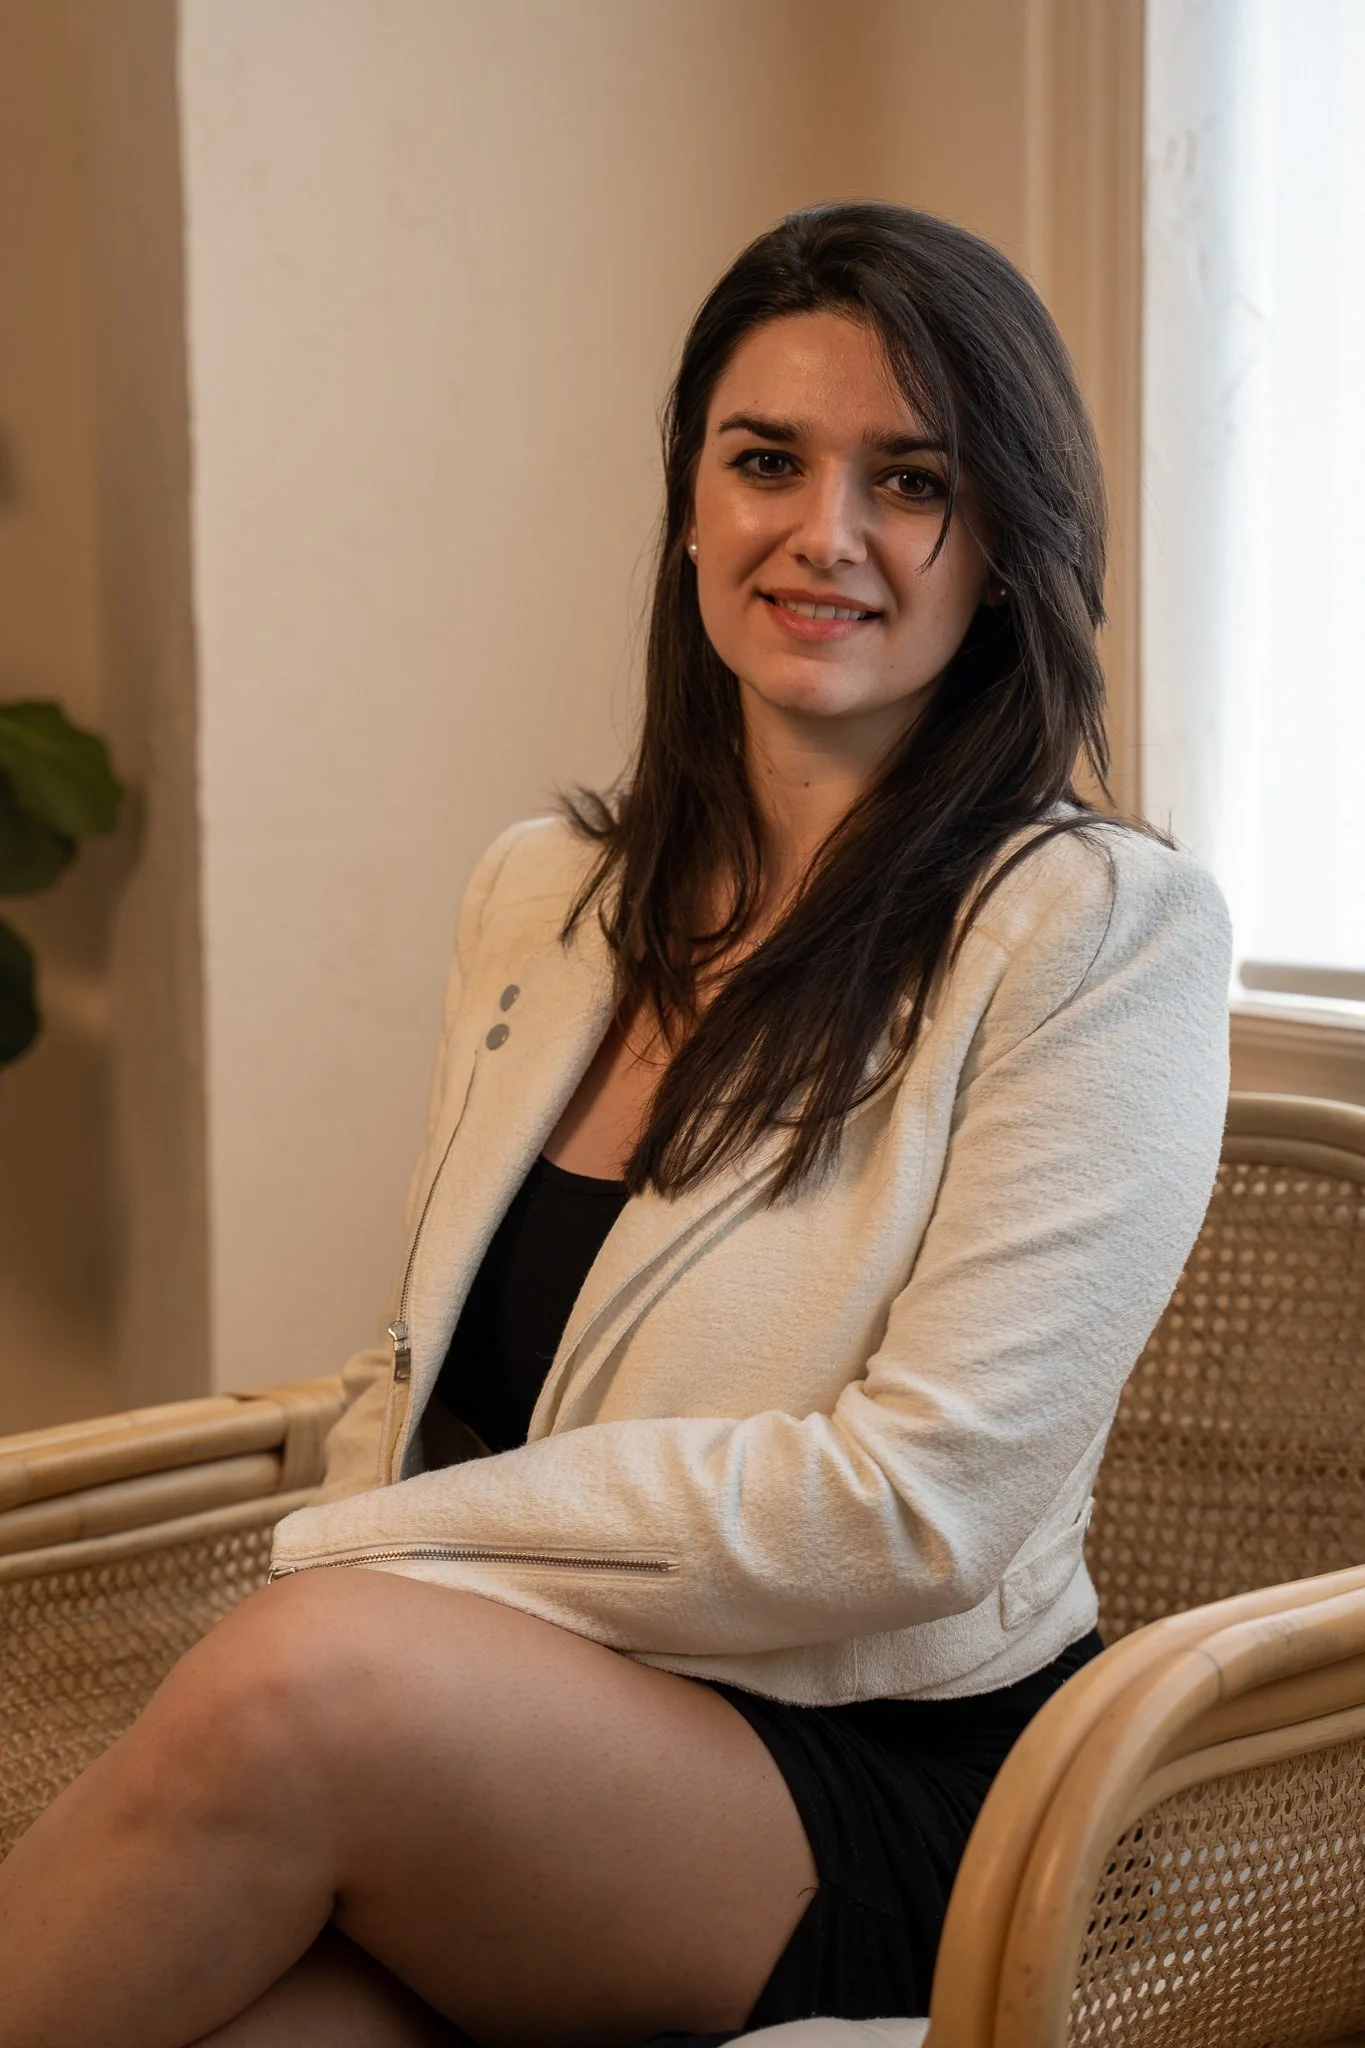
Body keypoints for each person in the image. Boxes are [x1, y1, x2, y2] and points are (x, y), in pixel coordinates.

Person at [0, 201, 1231, 2048]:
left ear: (1004, 546)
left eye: (911, 482)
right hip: (523, 1722)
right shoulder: (545, 891)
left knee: (298, 1683)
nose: (826, 533)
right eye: (767, 461)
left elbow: (924, 1505)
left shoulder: (1099, 930)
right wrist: (389, 1565)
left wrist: (370, 1564)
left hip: (889, 1784)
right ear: (689, 502)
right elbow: (423, 1369)